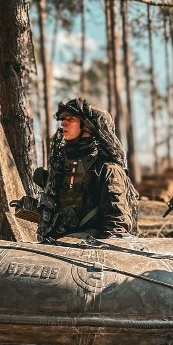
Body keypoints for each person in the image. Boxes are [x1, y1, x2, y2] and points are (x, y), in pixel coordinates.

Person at [32, 98, 138, 240]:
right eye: (63, 119)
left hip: (89, 250)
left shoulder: (108, 170)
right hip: (58, 245)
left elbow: (117, 226)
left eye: (71, 119)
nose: (63, 122)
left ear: (88, 126)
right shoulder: (62, 167)